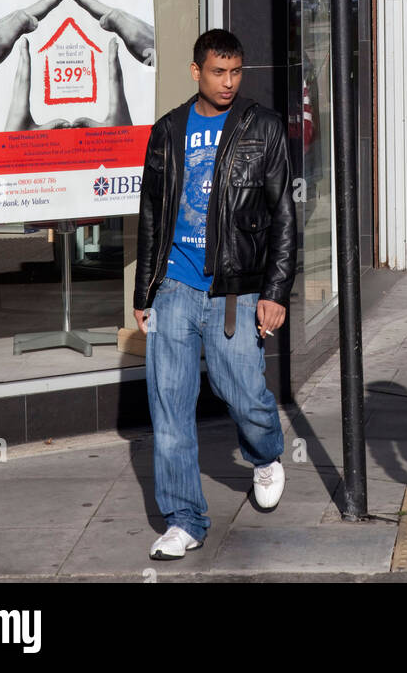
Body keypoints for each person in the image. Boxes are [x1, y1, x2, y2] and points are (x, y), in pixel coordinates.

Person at [134, 29, 296, 560]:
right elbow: (153, 217)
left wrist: (275, 291)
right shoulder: (167, 132)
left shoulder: (263, 127)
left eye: (235, 72)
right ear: (195, 71)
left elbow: (282, 217)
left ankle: (266, 454)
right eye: (217, 72)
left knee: (244, 394)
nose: (228, 83)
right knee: (170, 408)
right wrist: (144, 293)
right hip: (175, 288)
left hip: (237, 288)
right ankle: (184, 519)